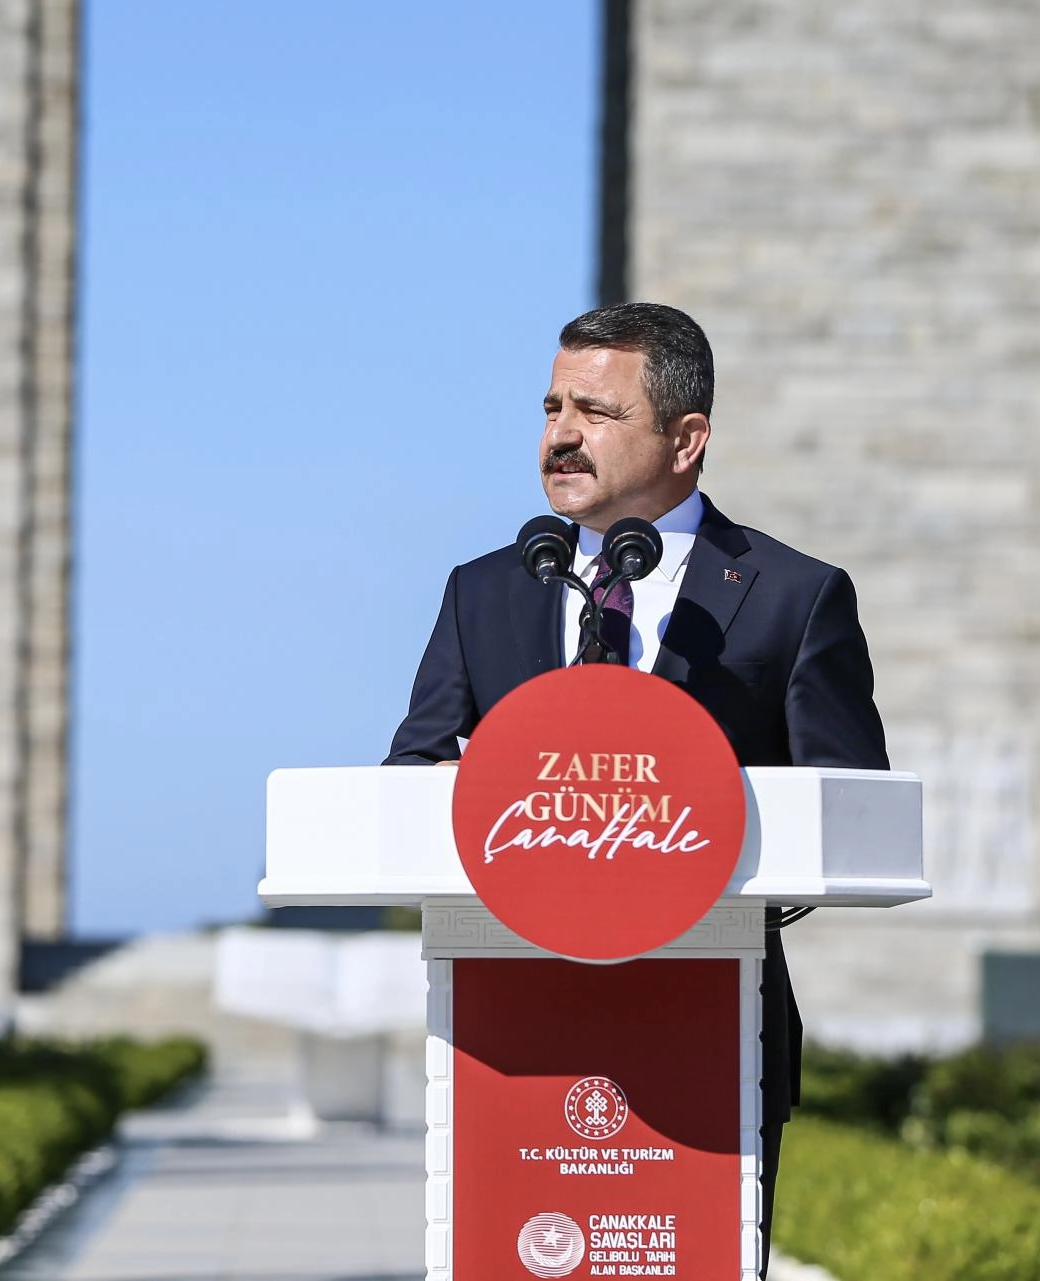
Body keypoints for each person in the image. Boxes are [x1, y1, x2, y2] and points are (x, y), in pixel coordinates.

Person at [384, 300, 889, 1245]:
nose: (560, 435)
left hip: (715, 1030)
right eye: (551, 408)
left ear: (686, 439)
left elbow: (852, 801)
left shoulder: (793, 596)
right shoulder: (485, 590)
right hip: (511, 1034)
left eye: (596, 411)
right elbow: (410, 778)